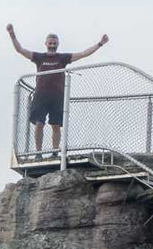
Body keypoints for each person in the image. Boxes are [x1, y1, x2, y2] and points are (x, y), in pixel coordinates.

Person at [7, 24, 108, 155]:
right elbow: (20, 50)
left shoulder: (62, 58)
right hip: (41, 95)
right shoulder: (39, 57)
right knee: (39, 123)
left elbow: (83, 54)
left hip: (57, 96)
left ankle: (55, 151)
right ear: (46, 43)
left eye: (54, 43)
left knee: (55, 125)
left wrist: (99, 44)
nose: (52, 45)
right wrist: (12, 34)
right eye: (50, 43)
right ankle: (38, 152)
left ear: (58, 44)